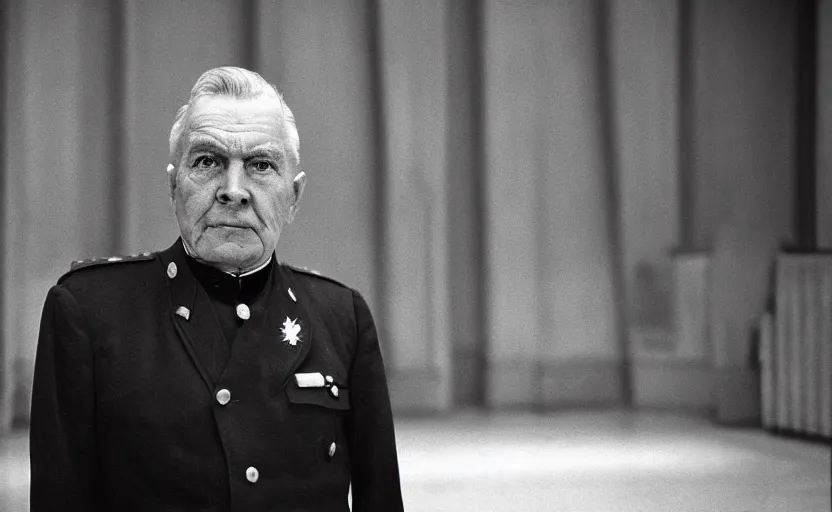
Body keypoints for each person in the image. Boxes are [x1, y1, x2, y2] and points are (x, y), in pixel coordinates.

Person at [29, 66, 404, 511]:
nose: (233, 190)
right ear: (173, 185)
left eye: (260, 165)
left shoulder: (341, 317)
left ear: (294, 197)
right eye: (208, 162)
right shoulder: (89, 312)